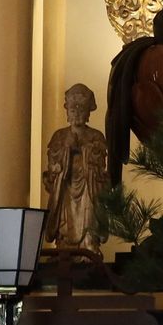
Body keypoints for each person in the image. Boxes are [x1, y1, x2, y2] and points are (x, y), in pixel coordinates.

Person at [42, 83, 109, 249]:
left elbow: (100, 163)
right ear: (67, 112)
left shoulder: (96, 136)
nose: (77, 113)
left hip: (88, 186)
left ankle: (89, 244)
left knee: (90, 218)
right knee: (65, 219)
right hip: (65, 187)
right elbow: (53, 164)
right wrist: (66, 150)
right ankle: (64, 244)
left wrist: (85, 151)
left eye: (81, 110)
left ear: (88, 113)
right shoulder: (59, 136)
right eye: (73, 110)